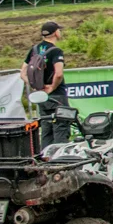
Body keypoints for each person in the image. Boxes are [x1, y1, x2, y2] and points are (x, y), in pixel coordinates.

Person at [21, 21, 68, 149]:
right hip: (57, 96)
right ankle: (60, 163)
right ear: (55, 33)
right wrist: (52, 87)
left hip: (41, 96)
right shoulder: (56, 51)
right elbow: (58, 74)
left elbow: (23, 73)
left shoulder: (34, 49)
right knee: (61, 127)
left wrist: (36, 87)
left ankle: (46, 161)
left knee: (47, 130)